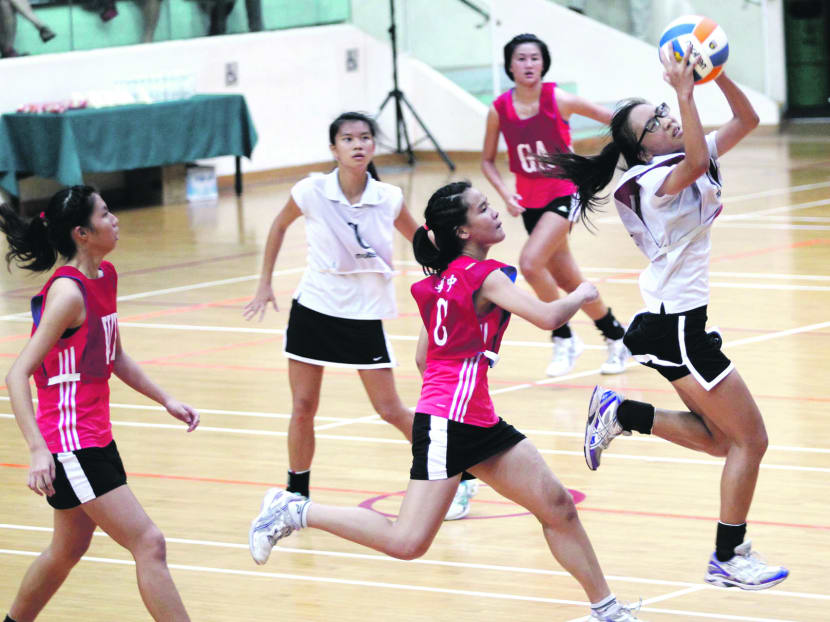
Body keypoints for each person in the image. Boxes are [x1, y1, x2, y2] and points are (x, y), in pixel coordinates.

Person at [247, 181, 645, 622]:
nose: (495, 213)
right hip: (449, 423)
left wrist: (458, 380)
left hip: (473, 418)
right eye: (483, 209)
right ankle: (294, 509)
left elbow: (423, 359)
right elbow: (549, 316)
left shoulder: (440, 279)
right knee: (407, 541)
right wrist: (583, 294)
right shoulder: (482, 275)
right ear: (462, 231)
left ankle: (607, 610)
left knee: (557, 506)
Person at [548, 44, 789, 590]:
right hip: (675, 324)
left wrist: (717, 76)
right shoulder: (653, 182)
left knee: (719, 441)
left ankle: (624, 414)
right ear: (641, 148)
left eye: (662, 111)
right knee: (751, 441)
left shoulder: (682, 158)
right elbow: (699, 160)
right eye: (655, 121)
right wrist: (685, 93)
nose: (666, 120)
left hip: (679, 323)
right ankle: (729, 557)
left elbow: (747, 119)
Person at [242, 112, 474, 521]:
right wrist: (264, 284)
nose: (358, 145)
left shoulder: (388, 198)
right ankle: (296, 493)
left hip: (363, 316)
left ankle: (463, 472)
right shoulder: (311, 190)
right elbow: (278, 227)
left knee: (389, 409)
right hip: (313, 308)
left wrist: (462, 271)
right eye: (348, 138)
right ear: (333, 148)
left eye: (365, 137)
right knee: (302, 405)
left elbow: (423, 244)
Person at [0, 186, 199, 622]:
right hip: (71, 444)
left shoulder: (104, 277)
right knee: (149, 542)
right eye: (105, 214)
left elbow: (114, 355)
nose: (115, 220)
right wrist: (37, 449)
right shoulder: (67, 294)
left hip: (93, 436)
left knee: (67, 549)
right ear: (81, 233)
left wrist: (166, 398)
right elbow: (16, 374)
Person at [482, 33, 629, 377]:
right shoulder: (499, 110)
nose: (528, 64)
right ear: (509, 66)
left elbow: (615, 119)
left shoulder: (558, 99)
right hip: (530, 203)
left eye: (534, 57)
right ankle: (616, 337)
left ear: (543, 63)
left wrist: (626, 147)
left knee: (530, 263)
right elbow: (487, 161)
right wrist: (505, 194)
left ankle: (562, 336)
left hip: (565, 193)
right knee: (569, 280)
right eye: (520, 58)